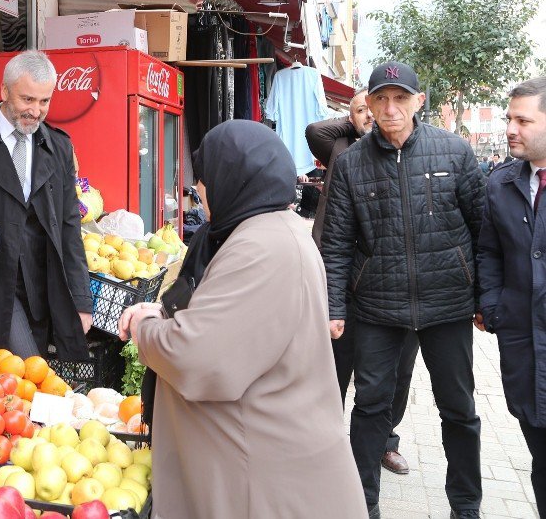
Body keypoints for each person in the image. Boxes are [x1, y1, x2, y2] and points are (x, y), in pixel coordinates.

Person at [119, 120, 366, 518]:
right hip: (259, 463)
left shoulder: (263, 248)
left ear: (230, 178)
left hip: (260, 480)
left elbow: (196, 357)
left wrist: (144, 328)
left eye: (204, 178)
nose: (198, 191)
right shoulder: (262, 230)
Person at [322, 61, 485, 519]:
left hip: (447, 304)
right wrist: (335, 306)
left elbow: (482, 230)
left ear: (419, 101)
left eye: (400, 98)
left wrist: (483, 299)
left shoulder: (454, 152)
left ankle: (466, 506)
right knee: (370, 406)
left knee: (459, 409)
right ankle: (361, 504)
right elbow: (335, 244)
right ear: (368, 105)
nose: (390, 109)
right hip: (376, 306)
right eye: (380, 99)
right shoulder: (352, 164)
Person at [0, 50, 92, 360]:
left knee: (17, 381)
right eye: (27, 100)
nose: (36, 111)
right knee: (19, 369)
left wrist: (80, 300)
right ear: (5, 91)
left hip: (38, 283)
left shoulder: (58, 146)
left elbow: (68, 226)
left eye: (44, 101)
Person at [306, 89, 420, 476]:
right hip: (339, 274)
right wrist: (358, 117)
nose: (376, 115)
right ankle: (325, 440)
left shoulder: (405, 149)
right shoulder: (338, 144)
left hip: (389, 281)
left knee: (398, 370)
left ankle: (385, 441)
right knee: (335, 362)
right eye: (367, 108)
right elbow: (313, 128)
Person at [476, 77, 546, 513]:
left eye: (523, 120)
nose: (510, 129)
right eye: (508, 119)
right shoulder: (501, 184)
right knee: (541, 460)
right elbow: (489, 250)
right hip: (523, 348)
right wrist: (493, 305)